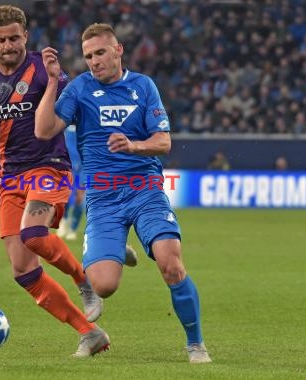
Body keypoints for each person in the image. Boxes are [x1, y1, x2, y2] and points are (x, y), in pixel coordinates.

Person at [34, 23, 212, 364]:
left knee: (170, 262)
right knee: (103, 287)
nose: (94, 62)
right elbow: (44, 130)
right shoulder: (80, 88)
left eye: (100, 53)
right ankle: (119, 248)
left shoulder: (143, 86)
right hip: (102, 198)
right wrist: (54, 81)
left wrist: (133, 145)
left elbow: (163, 142)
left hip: (144, 190)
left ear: (119, 50)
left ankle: (195, 344)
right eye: (88, 56)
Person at [0, 5, 109, 358]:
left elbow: (67, 113)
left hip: (49, 166)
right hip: (10, 177)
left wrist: (52, 80)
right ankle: (89, 332)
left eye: (14, 38)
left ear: (25, 36)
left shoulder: (45, 69)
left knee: (34, 234)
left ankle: (84, 281)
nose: (8, 45)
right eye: (1, 40)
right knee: (23, 270)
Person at [56, 124, 85, 241]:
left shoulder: (86, 129)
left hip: (83, 168)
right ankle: (64, 220)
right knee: (66, 197)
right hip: (68, 167)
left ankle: (72, 229)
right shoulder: (65, 130)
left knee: (80, 198)